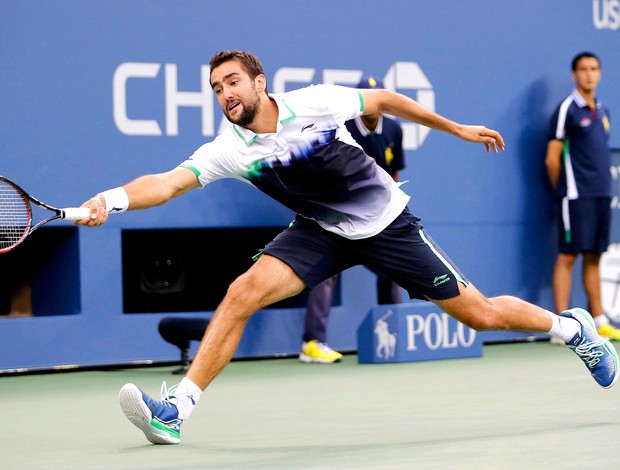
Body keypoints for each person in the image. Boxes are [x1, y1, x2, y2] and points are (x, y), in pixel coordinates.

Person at [77, 50, 618, 445]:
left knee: (480, 315)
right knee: (243, 291)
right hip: (319, 230)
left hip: (387, 224)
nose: (225, 95)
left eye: (233, 82)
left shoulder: (312, 104)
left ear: (260, 83)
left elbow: (382, 100)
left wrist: (456, 129)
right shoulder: (230, 150)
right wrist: (112, 198)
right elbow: (169, 182)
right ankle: (176, 409)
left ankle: (573, 329)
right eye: (217, 88)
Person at [300, 75, 405, 364]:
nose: (370, 105)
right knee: (326, 273)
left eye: (376, 97)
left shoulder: (394, 129)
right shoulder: (342, 127)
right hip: (337, 211)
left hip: (375, 216)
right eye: (365, 97)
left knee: (392, 271)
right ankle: (312, 343)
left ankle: (394, 340)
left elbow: (393, 175)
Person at [545, 51, 620, 341]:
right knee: (567, 255)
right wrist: (563, 191)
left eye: (594, 69)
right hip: (575, 196)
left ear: (599, 73)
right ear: (574, 75)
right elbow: (552, 159)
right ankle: (560, 327)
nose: (589, 74)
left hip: (601, 194)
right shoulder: (567, 109)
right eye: (583, 69)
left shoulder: (602, 110)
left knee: (594, 255)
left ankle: (599, 318)